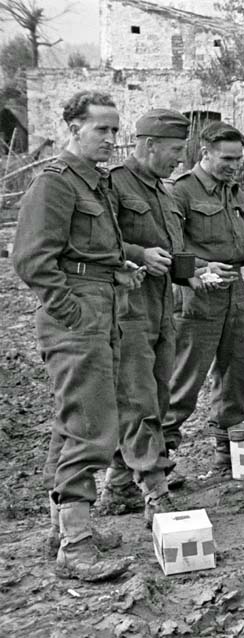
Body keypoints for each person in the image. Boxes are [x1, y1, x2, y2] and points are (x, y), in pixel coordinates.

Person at [12, 90, 140, 581]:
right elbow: (30, 260)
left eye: (114, 129)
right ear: (73, 129)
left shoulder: (96, 183)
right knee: (93, 425)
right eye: (101, 129)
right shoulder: (56, 183)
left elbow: (89, 249)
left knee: (74, 420)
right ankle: (77, 546)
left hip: (101, 307)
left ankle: (62, 529)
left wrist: (117, 270)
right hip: (78, 318)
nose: (111, 138)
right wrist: (72, 309)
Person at [97, 109, 196, 522]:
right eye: (174, 150)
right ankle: (155, 489)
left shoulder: (166, 192)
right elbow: (97, 242)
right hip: (128, 308)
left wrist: (195, 273)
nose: (179, 159)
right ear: (149, 144)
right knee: (137, 400)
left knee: (156, 396)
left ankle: (119, 488)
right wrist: (138, 255)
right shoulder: (113, 183)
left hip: (161, 308)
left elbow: (173, 251)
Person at [162, 122, 244, 470]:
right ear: (204, 153)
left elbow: (238, 239)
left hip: (235, 292)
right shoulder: (180, 191)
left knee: (236, 376)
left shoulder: (233, 190)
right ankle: (159, 455)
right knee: (184, 379)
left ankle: (229, 450)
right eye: (226, 158)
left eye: (238, 159)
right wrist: (205, 266)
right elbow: (170, 247)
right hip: (198, 294)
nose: (234, 165)